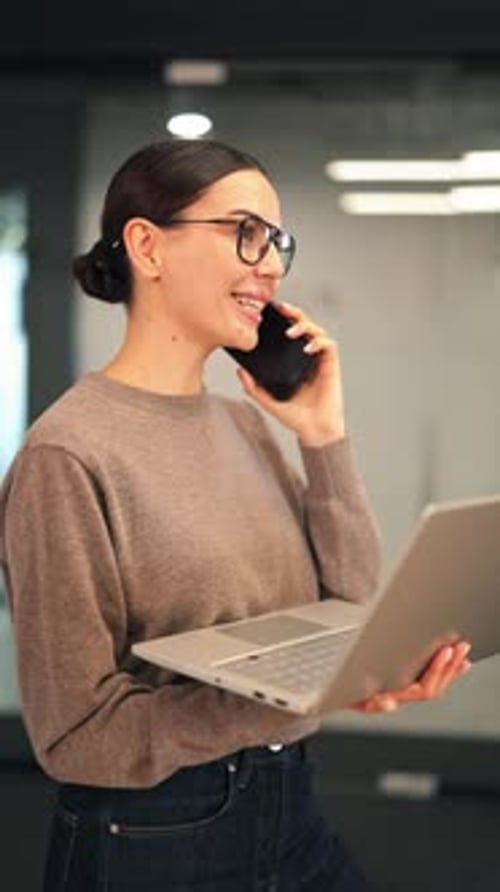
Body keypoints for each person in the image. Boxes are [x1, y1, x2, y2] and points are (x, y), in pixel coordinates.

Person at [0, 138, 471, 892]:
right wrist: (304, 697)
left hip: (290, 807)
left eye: (277, 241)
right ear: (147, 245)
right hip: (151, 838)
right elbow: (76, 737)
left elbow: (347, 599)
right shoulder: (68, 456)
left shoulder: (246, 425)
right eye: (246, 232)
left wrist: (323, 436)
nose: (273, 266)